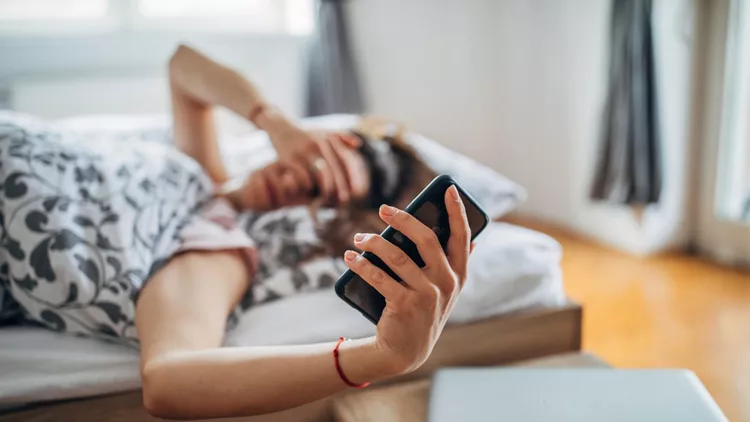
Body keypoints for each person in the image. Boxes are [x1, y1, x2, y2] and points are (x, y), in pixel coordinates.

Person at [0, 45, 473, 419]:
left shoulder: (217, 243)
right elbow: (183, 65)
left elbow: (169, 380)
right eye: (312, 166)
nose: (292, 184)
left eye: (314, 198)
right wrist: (276, 123)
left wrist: (381, 357)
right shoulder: (203, 174)